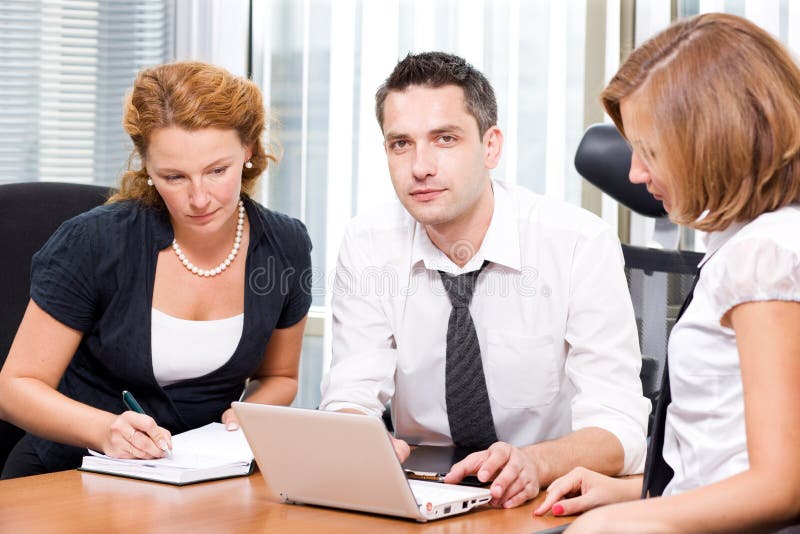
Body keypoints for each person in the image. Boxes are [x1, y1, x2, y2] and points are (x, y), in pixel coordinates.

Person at [319, 51, 650, 509]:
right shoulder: (368, 242)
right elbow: (350, 391)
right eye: (401, 144)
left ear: (491, 146)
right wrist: (357, 438)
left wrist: (533, 462)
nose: (420, 166)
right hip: (423, 494)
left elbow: (621, 428)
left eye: (445, 139)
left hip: (544, 498)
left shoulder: (577, 242)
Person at [534, 13, 800, 532]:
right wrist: (637, 491)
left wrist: (619, 523)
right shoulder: (744, 243)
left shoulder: (765, 254)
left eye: (650, 151)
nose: (635, 172)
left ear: (716, 140)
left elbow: (782, 485)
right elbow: (726, 451)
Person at [0, 61, 312, 479]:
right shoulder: (94, 243)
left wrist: (247, 415)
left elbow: (280, 375)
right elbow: (15, 386)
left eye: (217, 171)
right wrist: (104, 429)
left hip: (200, 480)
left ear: (249, 151)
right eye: (174, 176)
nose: (199, 198)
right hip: (69, 475)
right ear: (147, 166)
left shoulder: (285, 246)